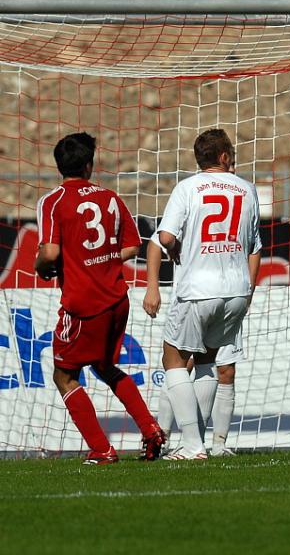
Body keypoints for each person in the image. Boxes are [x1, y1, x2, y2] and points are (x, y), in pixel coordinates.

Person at [35, 132, 165, 465]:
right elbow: (132, 246)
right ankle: (150, 430)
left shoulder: (53, 201)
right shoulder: (110, 198)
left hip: (84, 304)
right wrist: (101, 260)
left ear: (59, 165)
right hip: (116, 299)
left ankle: (102, 449)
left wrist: (43, 266)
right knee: (105, 366)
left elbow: (50, 253)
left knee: (64, 376)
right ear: (89, 165)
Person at [145, 128, 261, 460]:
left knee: (173, 359)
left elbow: (164, 238)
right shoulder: (247, 189)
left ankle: (193, 445)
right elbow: (254, 246)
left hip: (199, 288)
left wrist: (175, 248)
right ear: (224, 157)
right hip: (237, 289)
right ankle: (199, 442)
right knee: (209, 361)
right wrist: (247, 291)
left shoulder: (187, 188)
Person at [144, 238, 243, 457]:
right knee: (181, 365)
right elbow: (158, 241)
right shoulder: (188, 215)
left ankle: (214, 445)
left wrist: (249, 290)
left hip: (229, 296)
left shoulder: (242, 216)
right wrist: (153, 288)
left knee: (225, 369)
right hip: (193, 297)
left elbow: (254, 250)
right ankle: (164, 439)